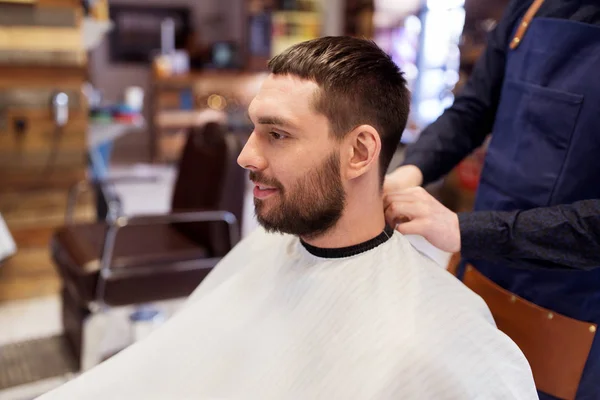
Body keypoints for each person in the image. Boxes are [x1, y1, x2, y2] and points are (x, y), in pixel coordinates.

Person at [37, 36, 537, 400]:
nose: (246, 157)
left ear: (360, 152)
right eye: (254, 128)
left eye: (277, 134)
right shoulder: (268, 249)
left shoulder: (429, 340)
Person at [383, 0, 600, 399]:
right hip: (480, 273)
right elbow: (473, 108)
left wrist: (461, 229)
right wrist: (409, 173)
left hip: (571, 312)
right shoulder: (532, 6)